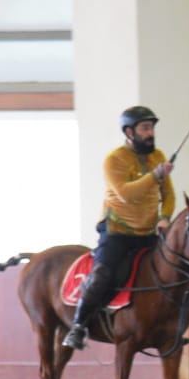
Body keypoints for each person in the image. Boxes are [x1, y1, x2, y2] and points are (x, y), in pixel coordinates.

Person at [64, 105, 174, 350]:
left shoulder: (158, 157)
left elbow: (169, 194)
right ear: (129, 132)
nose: (150, 133)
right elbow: (126, 194)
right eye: (145, 128)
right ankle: (78, 326)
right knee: (103, 274)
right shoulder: (114, 160)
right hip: (117, 232)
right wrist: (155, 175)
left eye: (152, 128)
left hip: (148, 232)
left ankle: (171, 326)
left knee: (173, 269)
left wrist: (165, 217)